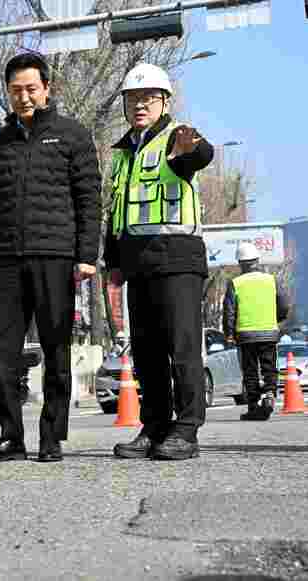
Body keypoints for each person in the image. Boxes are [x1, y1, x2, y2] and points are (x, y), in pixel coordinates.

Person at [0, 53, 102, 463]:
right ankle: (11, 435)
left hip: (56, 257)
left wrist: (86, 256)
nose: (24, 97)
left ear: (47, 89)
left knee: (56, 348)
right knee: (2, 352)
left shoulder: (72, 136)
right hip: (7, 259)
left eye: (31, 89)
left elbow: (89, 199)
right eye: (16, 90)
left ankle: (51, 435)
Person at [105, 63, 214, 461]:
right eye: (132, 98)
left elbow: (201, 155)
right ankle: (154, 427)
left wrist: (194, 147)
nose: (139, 105)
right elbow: (116, 211)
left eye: (148, 98)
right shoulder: (123, 152)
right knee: (147, 350)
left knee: (181, 346)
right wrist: (111, 263)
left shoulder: (176, 138)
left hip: (178, 260)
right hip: (138, 264)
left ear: (165, 101)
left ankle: (186, 430)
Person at [223, 241, 289, 421]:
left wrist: (228, 334)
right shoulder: (272, 280)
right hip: (268, 332)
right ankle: (269, 393)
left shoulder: (235, 283)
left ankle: (253, 405)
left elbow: (229, 311)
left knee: (250, 370)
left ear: (240, 263)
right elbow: (283, 304)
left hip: (245, 335)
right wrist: (277, 319)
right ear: (257, 260)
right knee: (269, 366)